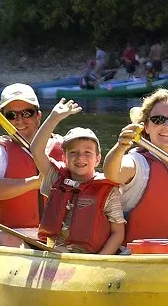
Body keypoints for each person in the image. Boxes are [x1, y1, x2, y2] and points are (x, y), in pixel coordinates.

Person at [103, 89, 168, 244]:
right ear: (146, 127)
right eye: (158, 119)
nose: (167, 125)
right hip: (137, 260)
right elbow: (112, 173)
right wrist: (120, 147)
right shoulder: (136, 163)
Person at [0, 83, 63, 247]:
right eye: (11, 115)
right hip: (16, 237)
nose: (19, 120)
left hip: (61, 239)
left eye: (27, 113)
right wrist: (36, 182)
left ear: (38, 116)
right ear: (3, 120)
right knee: (4, 240)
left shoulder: (68, 147)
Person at [30, 99, 125, 254]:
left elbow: (118, 233)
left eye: (87, 153)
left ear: (98, 159)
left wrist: (99, 261)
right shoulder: (55, 178)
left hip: (91, 258)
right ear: (64, 158)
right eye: (73, 153)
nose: (80, 157)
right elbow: (36, 150)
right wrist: (54, 117)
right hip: (57, 254)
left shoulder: (108, 191)